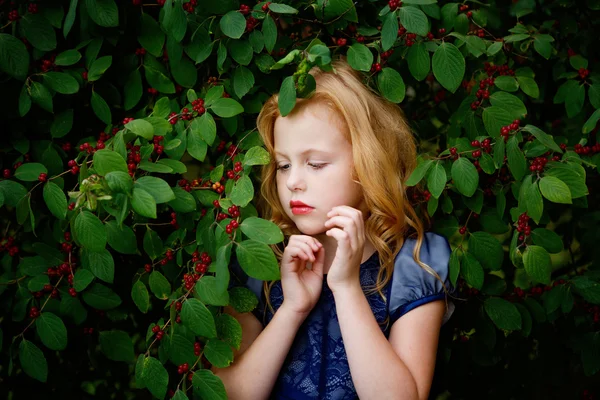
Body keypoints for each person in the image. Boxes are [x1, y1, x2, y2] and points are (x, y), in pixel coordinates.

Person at [211, 56, 456, 400]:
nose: (294, 181)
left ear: (367, 163)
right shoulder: (259, 264)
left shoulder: (412, 263)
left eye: (316, 163)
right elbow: (231, 395)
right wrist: (291, 309)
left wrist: (346, 288)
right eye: (283, 165)